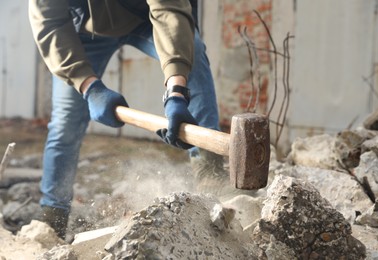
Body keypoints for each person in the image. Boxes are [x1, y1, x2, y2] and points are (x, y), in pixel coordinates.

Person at [28, 0, 239, 239]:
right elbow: (50, 24)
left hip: (145, 18)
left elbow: (169, 10)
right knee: (65, 122)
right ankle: (52, 219)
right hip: (83, 33)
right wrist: (89, 88)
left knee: (194, 51)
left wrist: (177, 92)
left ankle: (210, 176)